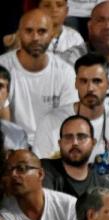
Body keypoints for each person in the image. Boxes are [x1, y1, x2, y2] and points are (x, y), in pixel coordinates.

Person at [34, 53, 109, 166]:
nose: (90, 88)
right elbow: (41, 170)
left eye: (97, 81)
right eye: (84, 81)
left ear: (108, 84)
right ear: (75, 83)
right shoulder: (51, 123)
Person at [0, 9, 76, 146]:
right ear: (19, 33)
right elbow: (4, 125)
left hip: (52, 148)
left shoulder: (66, 72)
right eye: (29, 31)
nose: (35, 37)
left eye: (42, 31)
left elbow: (66, 122)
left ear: (52, 34)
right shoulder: (2, 66)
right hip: (11, 147)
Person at [41, 116, 109, 200]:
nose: (75, 143)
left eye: (81, 137)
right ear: (60, 143)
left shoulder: (103, 185)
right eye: (68, 137)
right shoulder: (44, 170)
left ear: (93, 143)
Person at [39, 0, 86, 65]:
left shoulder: (75, 38)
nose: (54, 9)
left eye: (59, 5)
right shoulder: (30, 35)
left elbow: (83, 66)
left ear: (66, 11)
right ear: (38, 10)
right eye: (47, 6)